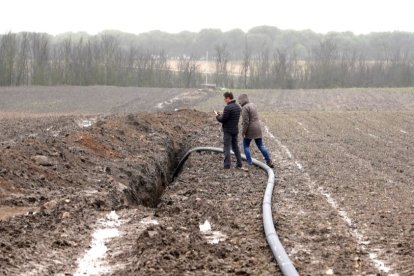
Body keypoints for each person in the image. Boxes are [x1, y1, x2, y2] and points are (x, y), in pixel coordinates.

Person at [237, 93, 274, 168]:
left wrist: (243, 132)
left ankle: (249, 162)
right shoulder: (253, 105)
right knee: (261, 145)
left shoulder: (245, 108)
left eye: (239, 101)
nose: (239, 103)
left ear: (242, 100)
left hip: (250, 129)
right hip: (258, 128)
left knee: (246, 145)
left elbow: (246, 122)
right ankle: (268, 161)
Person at [215, 91, 244, 170]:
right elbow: (231, 116)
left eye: (225, 98)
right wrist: (223, 113)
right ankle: (239, 163)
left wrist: (217, 116)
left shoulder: (228, 107)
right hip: (235, 130)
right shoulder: (238, 107)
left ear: (228, 98)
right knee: (235, 147)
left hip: (228, 130)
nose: (224, 100)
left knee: (227, 147)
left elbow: (223, 119)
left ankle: (227, 165)